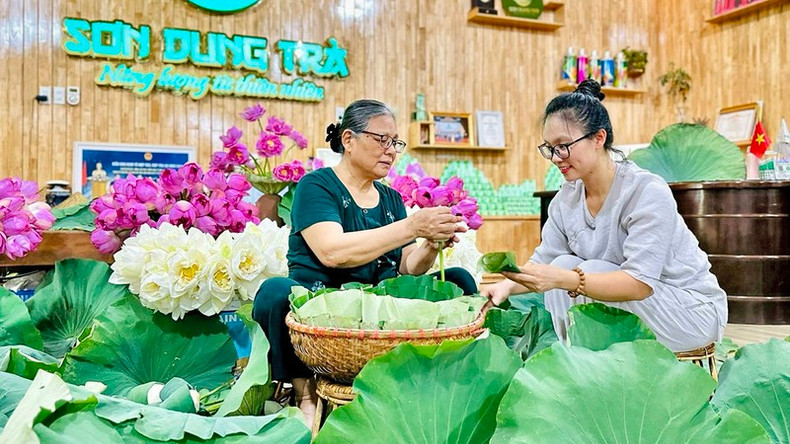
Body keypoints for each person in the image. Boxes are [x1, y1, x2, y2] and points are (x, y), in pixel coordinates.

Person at [252, 99, 477, 425]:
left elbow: (408, 267)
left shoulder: (391, 199)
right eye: (382, 140)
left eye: (395, 142)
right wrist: (412, 226)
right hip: (321, 307)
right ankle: (306, 396)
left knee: (458, 279)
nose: (391, 151)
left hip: (381, 310)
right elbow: (333, 252)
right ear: (349, 139)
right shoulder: (316, 186)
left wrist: (431, 244)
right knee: (274, 292)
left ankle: (452, 388)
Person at [482, 79, 727, 354]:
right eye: (549, 148)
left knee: (584, 271)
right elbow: (545, 261)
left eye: (563, 145)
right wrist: (505, 286)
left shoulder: (646, 191)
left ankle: (591, 362)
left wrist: (564, 279)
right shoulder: (566, 198)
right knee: (563, 263)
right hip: (637, 309)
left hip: (689, 312)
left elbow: (639, 284)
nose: (556, 157)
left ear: (599, 138)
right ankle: (582, 361)